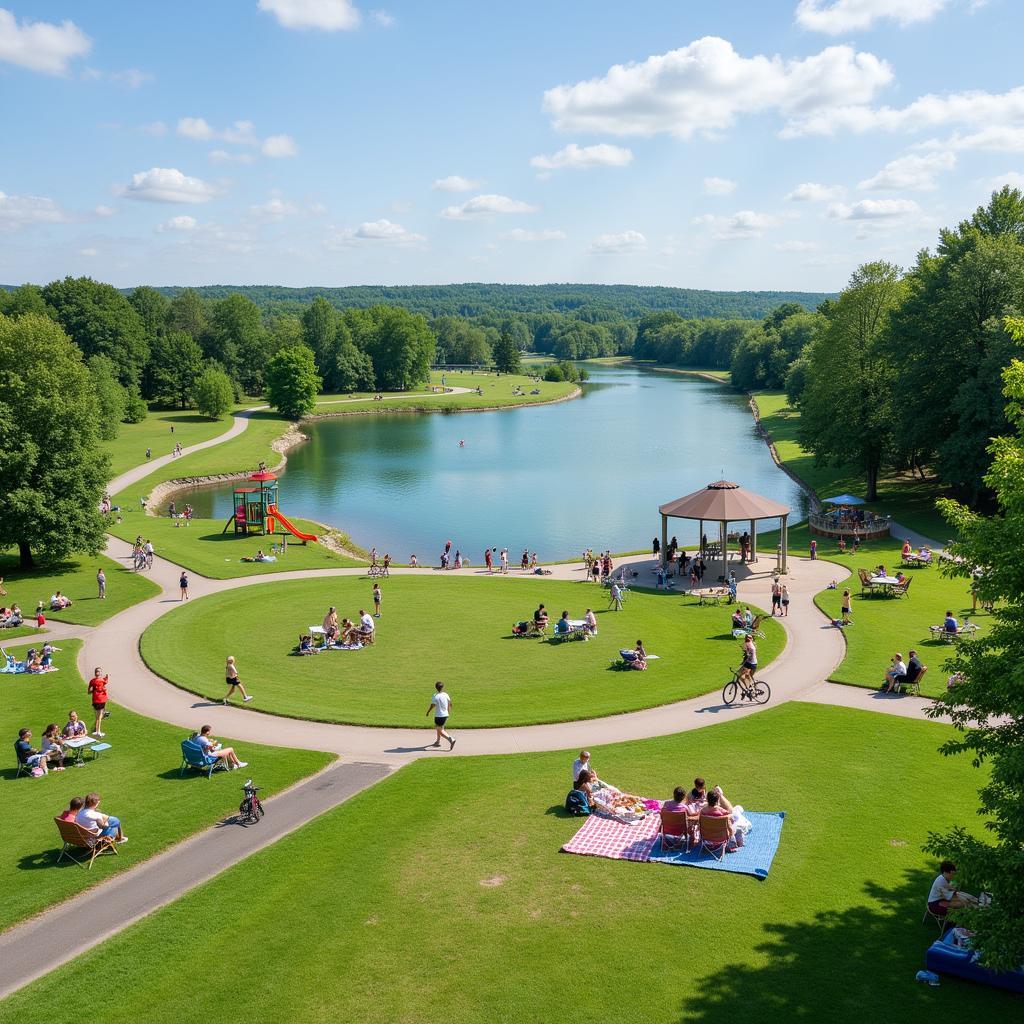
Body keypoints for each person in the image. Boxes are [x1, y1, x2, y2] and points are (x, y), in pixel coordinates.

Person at [427, 681, 455, 749]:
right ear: (442, 687)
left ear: (436, 688)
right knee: (439, 728)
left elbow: (433, 705)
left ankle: (451, 739)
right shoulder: (446, 694)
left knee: (440, 730)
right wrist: (448, 712)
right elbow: (450, 704)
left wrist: (428, 712)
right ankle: (438, 741)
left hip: (439, 716)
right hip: (445, 715)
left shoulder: (435, 696)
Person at [87, 667, 109, 737]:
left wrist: (94, 690)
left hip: (95, 700)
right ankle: (98, 731)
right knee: (99, 717)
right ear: (100, 673)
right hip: (101, 699)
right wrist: (107, 677)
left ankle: (96, 730)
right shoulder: (102, 680)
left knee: (97, 716)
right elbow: (105, 682)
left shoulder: (92, 681)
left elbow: (89, 692)